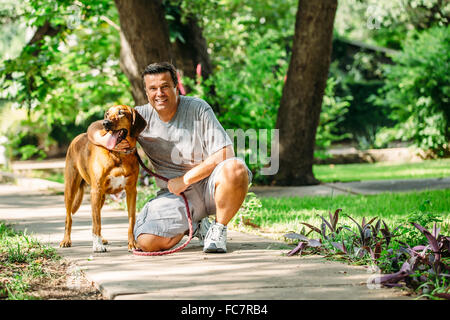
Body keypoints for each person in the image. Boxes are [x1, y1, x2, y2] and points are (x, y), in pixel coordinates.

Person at [88, 62, 252, 253]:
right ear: (147, 92)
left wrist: (185, 180)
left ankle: (218, 230)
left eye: (165, 86)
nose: (159, 93)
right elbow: (94, 128)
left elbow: (226, 153)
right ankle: (197, 225)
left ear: (176, 87)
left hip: (209, 187)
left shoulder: (198, 108)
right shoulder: (137, 119)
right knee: (146, 242)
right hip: (175, 196)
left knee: (235, 168)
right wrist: (104, 141)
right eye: (153, 88)